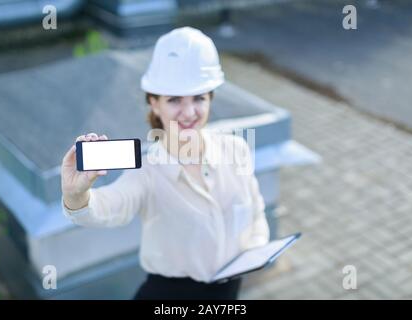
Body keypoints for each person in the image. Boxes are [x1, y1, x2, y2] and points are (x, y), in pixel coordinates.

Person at [61, 26, 269, 300]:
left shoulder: (237, 149)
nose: (189, 112)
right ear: (154, 104)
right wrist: (77, 195)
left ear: (211, 99)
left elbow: (256, 210)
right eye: (174, 100)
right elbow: (108, 206)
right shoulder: (147, 173)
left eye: (199, 98)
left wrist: (257, 250)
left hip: (229, 290)